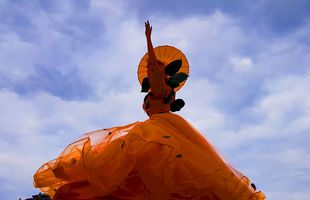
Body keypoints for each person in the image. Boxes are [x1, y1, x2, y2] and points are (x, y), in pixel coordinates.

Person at [33, 21, 265, 200]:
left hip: (161, 129)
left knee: (158, 167)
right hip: (162, 128)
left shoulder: (161, 87)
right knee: (144, 172)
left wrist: (149, 41)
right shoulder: (160, 90)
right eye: (157, 68)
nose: (156, 69)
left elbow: (153, 69)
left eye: (160, 68)